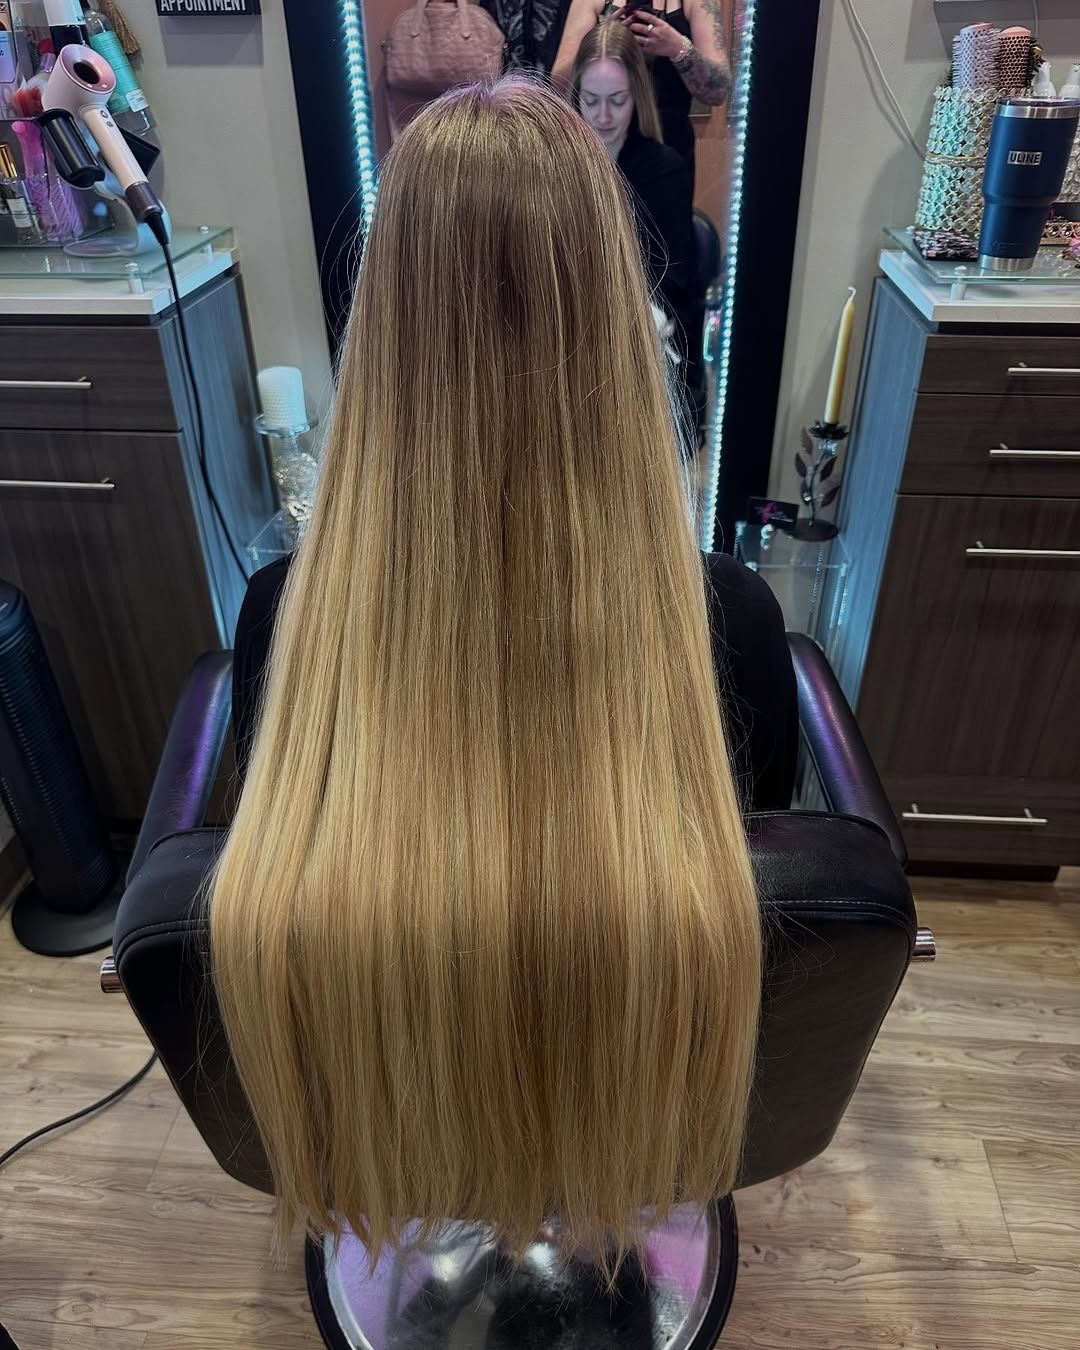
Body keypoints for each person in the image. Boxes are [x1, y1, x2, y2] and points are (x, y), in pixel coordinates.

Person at [214, 78, 796, 1273]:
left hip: (396, 1116)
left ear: (383, 327)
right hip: (630, 1107)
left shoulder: (284, 627)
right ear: (618, 322)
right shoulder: (728, 626)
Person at [570, 19, 704, 446]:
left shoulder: (664, 171)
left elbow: (673, 286)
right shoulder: (556, 172)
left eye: (618, 100)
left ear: (637, 98)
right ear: (576, 98)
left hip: (641, 341)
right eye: (591, 100)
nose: (603, 116)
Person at [552, 0, 732, 189]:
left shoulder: (697, 3)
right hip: (600, 150)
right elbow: (559, 84)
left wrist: (678, 48)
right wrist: (604, 40)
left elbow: (718, 91)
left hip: (669, 153)